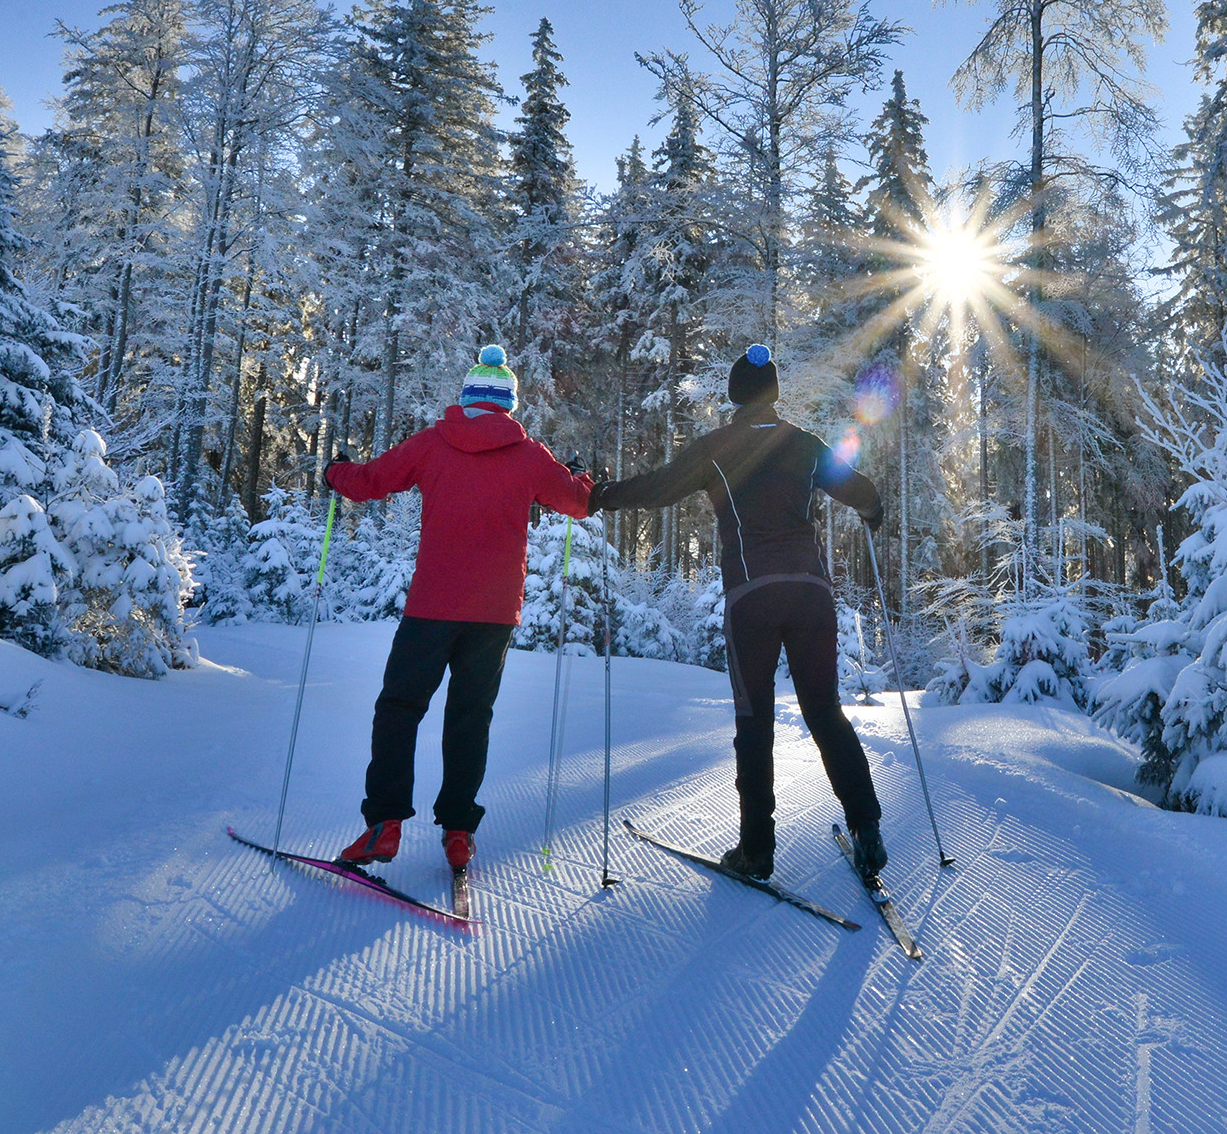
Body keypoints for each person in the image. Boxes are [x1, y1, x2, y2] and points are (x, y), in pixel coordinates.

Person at [589, 344, 888, 881]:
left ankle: (756, 851)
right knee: (824, 712)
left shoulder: (715, 448)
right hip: (811, 593)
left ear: (733, 395)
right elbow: (861, 491)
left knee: (755, 721)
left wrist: (601, 495)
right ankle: (867, 829)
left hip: (753, 596)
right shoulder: (803, 443)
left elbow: (659, 488)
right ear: (773, 394)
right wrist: (872, 511)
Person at [323, 345, 594, 875]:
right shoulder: (530, 455)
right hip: (494, 613)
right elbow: (578, 504)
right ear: (508, 404)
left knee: (399, 708)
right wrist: (578, 476)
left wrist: (336, 472)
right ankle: (458, 832)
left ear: (467, 397)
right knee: (470, 718)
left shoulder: (432, 443)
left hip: (432, 605)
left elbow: (370, 481)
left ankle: (385, 824)